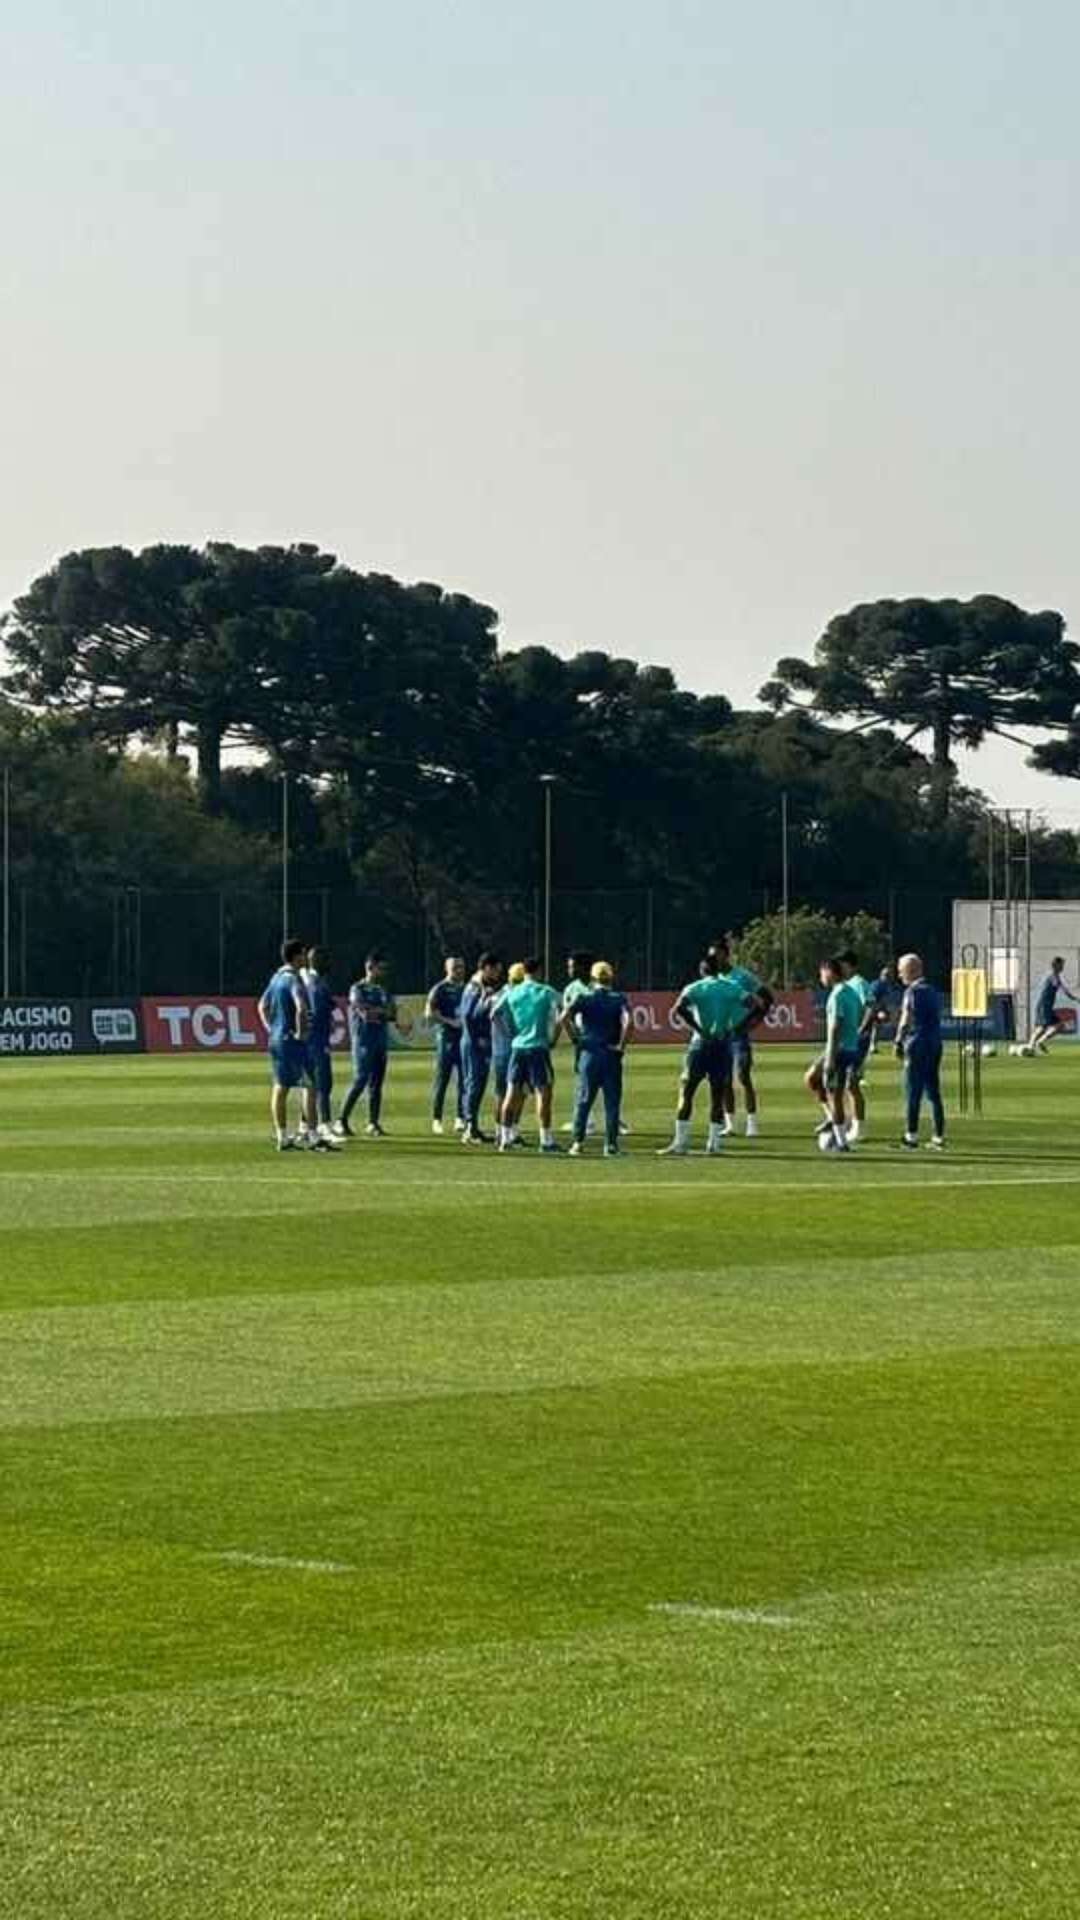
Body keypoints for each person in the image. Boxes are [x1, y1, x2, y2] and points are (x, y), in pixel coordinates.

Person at [658, 951, 756, 1156]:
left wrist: (697, 1028)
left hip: (700, 1044)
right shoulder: (731, 987)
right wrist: (736, 1028)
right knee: (717, 1094)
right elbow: (755, 1005)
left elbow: (678, 1009)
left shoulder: (695, 988)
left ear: (702, 971)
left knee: (688, 1091)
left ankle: (680, 1142)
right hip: (722, 1044)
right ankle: (713, 1144)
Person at [564, 961, 632, 1157]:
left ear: (593, 978)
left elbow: (563, 1018)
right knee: (612, 1101)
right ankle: (610, 1145)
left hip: (589, 1053)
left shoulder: (584, 997)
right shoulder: (619, 998)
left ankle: (577, 1142)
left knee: (583, 1100)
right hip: (611, 1055)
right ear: (611, 978)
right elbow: (629, 1023)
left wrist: (576, 1039)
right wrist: (621, 1045)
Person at [498, 957, 563, 1154]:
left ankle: (505, 1138)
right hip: (538, 1047)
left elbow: (494, 1013)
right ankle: (546, 1139)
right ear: (539, 971)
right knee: (543, 1093)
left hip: (518, 1048)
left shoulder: (512, 992)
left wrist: (511, 1033)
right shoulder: (545, 991)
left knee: (511, 1092)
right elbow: (563, 1010)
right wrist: (554, 1036)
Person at [334, 954, 403, 1138]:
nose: (384, 972)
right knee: (360, 1079)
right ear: (370, 967)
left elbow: (392, 1014)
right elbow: (364, 1012)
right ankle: (341, 1120)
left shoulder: (383, 990)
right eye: (381, 968)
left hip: (380, 1041)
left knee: (376, 1084)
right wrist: (380, 1011)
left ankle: (372, 1123)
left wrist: (380, 1012)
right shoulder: (358, 988)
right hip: (363, 1042)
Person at [257, 938, 313, 1152]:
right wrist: (301, 1032)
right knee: (310, 1085)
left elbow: (262, 1005)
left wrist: (270, 1029)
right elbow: (300, 1007)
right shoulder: (293, 980)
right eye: (304, 953)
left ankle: (282, 1136)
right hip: (292, 1041)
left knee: (281, 1087)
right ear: (297, 955)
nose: (306, 957)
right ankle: (309, 1133)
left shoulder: (277, 978)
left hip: (277, 1039)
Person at [805, 956, 862, 1153]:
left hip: (839, 1049)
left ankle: (841, 1141)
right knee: (812, 1078)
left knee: (835, 1093)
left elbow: (835, 1027)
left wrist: (830, 1057)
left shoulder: (837, 995)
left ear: (829, 972)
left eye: (822, 973)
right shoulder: (850, 993)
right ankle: (832, 1119)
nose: (821, 977)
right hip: (849, 1047)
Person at [717, 942, 773, 1137]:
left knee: (743, 1075)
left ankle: (752, 1123)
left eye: (716, 956)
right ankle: (730, 1124)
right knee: (724, 1079)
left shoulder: (742, 976)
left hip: (739, 1034)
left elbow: (766, 998)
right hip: (722, 1034)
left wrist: (754, 1022)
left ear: (726, 955)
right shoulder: (714, 978)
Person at [895, 952, 945, 1149]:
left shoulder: (912, 992)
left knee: (912, 1090)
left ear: (911, 970)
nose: (900, 975)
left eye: (901, 971)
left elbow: (906, 1018)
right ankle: (938, 1136)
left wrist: (898, 1040)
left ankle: (911, 1135)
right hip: (935, 1042)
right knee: (933, 1091)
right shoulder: (933, 991)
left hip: (917, 1043)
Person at [459, 951, 504, 1144]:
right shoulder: (475, 987)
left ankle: (473, 1126)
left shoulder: (484, 986)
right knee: (474, 1083)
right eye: (496, 970)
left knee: (479, 1083)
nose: (498, 974)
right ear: (486, 968)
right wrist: (476, 1038)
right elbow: (468, 1015)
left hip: (480, 1041)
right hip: (473, 1042)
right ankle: (469, 1127)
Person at [299, 944, 341, 1148]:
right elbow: (316, 1009)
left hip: (314, 1038)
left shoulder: (316, 980)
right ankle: (324, 1124)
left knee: (311, 1083)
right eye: (325, 959)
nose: (329, 963)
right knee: (323, 1082)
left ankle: (304, 1124)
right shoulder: (315, 982)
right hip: (316, 1039)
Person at [426, 955, 466, 1135]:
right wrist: (450, 1021)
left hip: (464, 1039)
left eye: (461, 967)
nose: (459, 970)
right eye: (455, 967)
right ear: (447, 968)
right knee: (443, 1079)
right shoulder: (440, 989)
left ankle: (461, 1117)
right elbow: (429, 1013)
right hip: (446, 1038)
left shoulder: (466, 988)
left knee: (464, 1080)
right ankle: (437, 1119)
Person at [559, 951, 594, 1132]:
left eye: (572, 966)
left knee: (607, 1079)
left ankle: (615, 1119)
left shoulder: (598, 985)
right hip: (583, 1037)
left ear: (583, 967)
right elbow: (567, 1017)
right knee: (582, 1078)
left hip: (599, 1036)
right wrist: (574, 1037)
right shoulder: (571, 989)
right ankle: (585, 1120)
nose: (569, 969)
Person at [838, 949, 871, 1142]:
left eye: (842, 964)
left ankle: (859, 1128)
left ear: (849, 965)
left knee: (852, 1083)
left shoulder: (858, 983)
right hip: (848, 1041)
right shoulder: (847, 985)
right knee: (845, 1083)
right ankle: (848, 1123)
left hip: (857, 1042)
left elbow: (870, 1006)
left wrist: (861, 1030)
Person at [490, 962, 524, 1142]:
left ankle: (502, 1131)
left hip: (499, 1050)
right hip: (513, 1048)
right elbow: (494, 1016)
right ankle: (511, 1131)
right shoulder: (516, 994)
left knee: (502, 1092)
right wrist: (509, 1034)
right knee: (516, 1091)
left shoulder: (498, 994)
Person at [1030, 958, 1079, 1052]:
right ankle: (1030, 1046)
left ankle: (1039, 1042)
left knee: (1059, 1026)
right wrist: (1075, 998)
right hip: (1044, 1006)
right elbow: (1063, 990)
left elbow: (1064, 990)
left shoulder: (1055, 976)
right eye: (1061, 965)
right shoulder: (1052, 976)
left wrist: (1074, 998)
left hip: (1048, 1006)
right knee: (1041, 1027)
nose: (1062, 967)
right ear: (1055, 965)